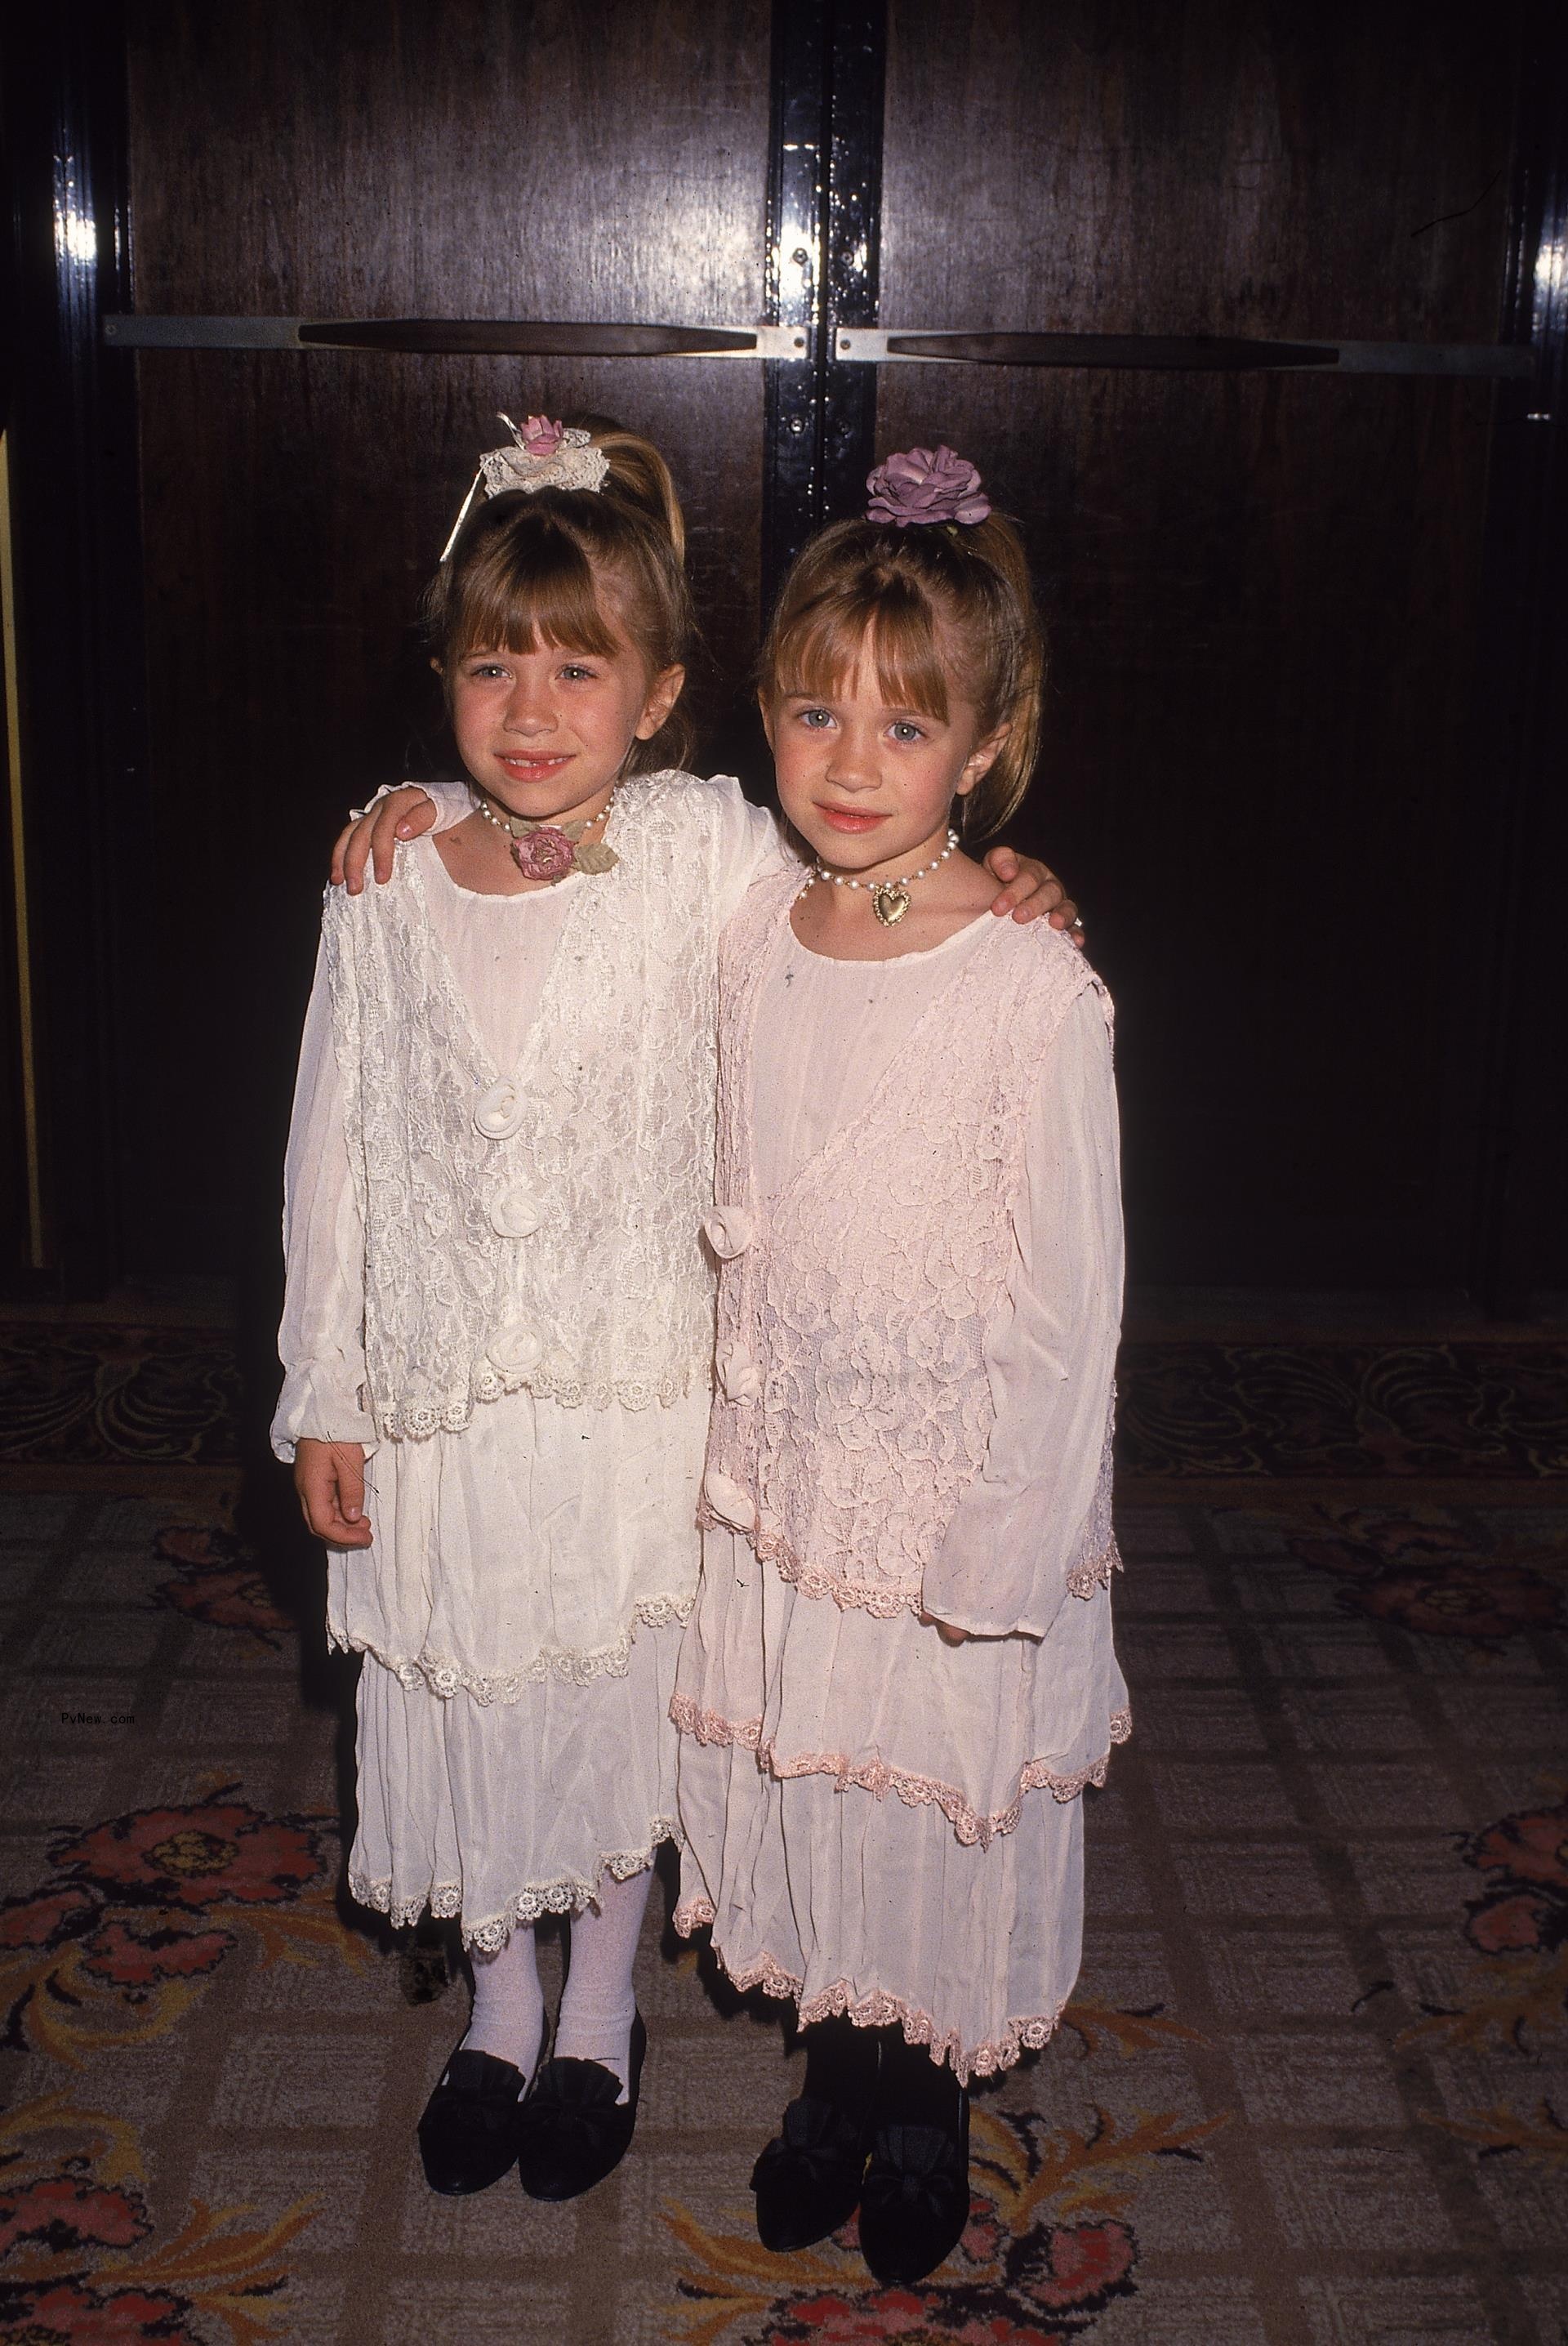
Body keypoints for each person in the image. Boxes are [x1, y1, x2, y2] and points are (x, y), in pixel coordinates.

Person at [274, 413, 1075, 2210]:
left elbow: (863, 875)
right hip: (441, 1402)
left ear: (657, 696)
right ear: (442, 682)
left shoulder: (704, 846)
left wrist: (1002, 878)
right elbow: (327, 1152)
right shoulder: (386, 877)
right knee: (465, 1695)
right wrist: (322, 1387)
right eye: (495, 665)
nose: (534, 707)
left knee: (613, 1703)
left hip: (643, 1394)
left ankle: (599, 2018)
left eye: (580, 667)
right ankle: (499, 2002)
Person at [670, 444, 1127, 2288]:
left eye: (905, 726)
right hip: (786, 1468)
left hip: (949, 1483)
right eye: (812, 710)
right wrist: (396, 810)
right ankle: (841, 2078)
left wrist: (1016, 1535)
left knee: (927, 1781)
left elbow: (1073, 1292)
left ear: (988, 743)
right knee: (822, 1774)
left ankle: (929, 2098)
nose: (851, 760)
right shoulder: (740, 927)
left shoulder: (1031, 979)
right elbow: (570, 820)